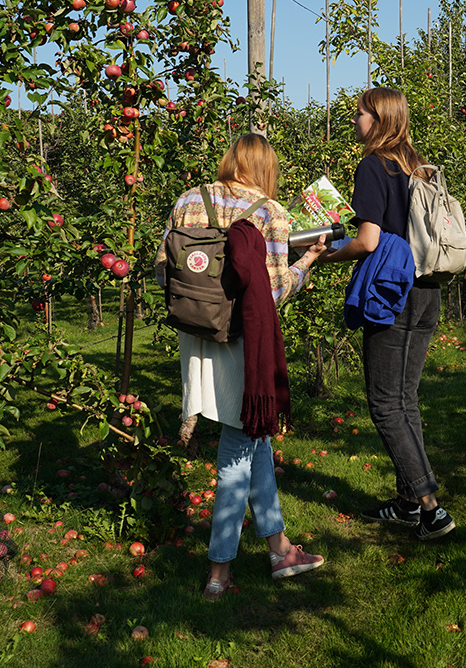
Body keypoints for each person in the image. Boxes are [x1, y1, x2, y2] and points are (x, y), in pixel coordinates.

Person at [155, 134, 327, 600]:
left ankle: (280, 549)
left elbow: (161, 272)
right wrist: (306, 262)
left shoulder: (189, 199)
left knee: (255, 438)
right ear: (266, 168)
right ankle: (218, 575)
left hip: (195, 338)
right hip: (242, 346)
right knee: (236, 452)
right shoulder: (270, 212)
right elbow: (270, 292)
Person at [317, 87, 456, 541]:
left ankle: (430, 507)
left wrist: (327, 254)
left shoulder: (374, 165)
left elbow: (369, 240)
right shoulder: (419, 165)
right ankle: (406, 505)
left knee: (383, 402)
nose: (354, 120)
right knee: (405, 398)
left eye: (359, 114)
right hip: (427, 290)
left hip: (391, 292)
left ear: (378, 119)